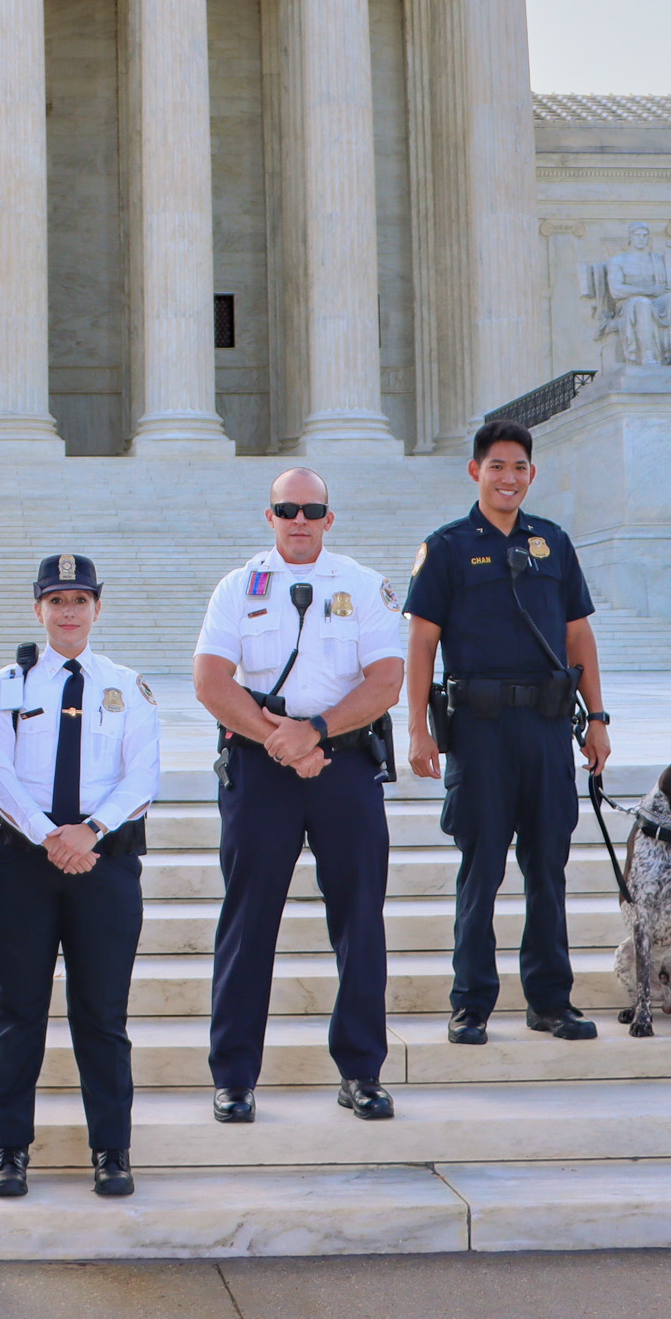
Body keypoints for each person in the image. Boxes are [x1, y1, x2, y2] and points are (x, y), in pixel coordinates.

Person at [193, 467, 403, 1126]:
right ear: (271, 514)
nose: (300, 519)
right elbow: (210, 681)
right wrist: (279, 739)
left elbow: (387, 679)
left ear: (329, 517)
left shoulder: (362, 585)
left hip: (344, 764)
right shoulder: (238, 586)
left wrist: (314, 731)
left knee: (361, 920)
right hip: (260, 770)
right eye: (288, 508)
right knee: (248, 924)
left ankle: (362, 1071)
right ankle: (233, 1077)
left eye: (313, 508)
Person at [403, 417, 613, 1047]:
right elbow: (421, 643)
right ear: (475, 472)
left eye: (519, 467)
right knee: (482, 868)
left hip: (548, 728)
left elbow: (578, 634)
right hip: (481, 730)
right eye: (496, 466)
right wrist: (418, 728)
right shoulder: (446, 547)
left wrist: (597, 719)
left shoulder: (553, 542)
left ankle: (551, 1000)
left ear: (531, 474)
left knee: (548, 867)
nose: (508, 477)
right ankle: (470, 1003)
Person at [0, 553, 160, 1201]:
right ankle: (8, 1148)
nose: (68, 611)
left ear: (97, 608)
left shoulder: (126, 684)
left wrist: (90, 831)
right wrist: (47, 835)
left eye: (79, 599)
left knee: (102, 1014)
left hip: (102, 861)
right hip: (24, 862)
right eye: (56, 600)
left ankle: (111, 1149)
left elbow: (142, 776)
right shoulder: (6, 683)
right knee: (17, 1011)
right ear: (37, 609)